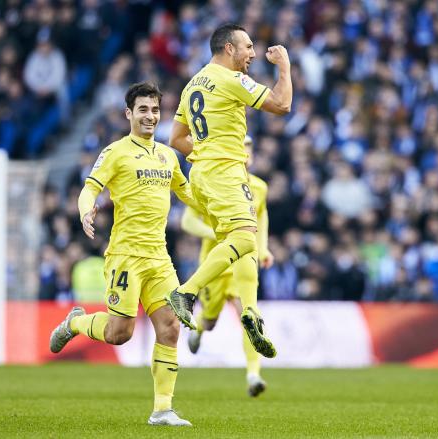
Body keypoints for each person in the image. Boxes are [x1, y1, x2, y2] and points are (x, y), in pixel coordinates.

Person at [49, 82, 200, 427]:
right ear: (129, 114)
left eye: (155, 110)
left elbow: (187, 193)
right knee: (121, 333)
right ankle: (75, 322)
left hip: (159, 258)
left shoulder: (167, 155)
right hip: (125, 257)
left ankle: (163, 409)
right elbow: (90, 189)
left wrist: (220, 210)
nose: (150, 116)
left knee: (170, 327)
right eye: (143, 110)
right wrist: (86, 210)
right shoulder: (115, 152)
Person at [167, 23, 292, 359]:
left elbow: (176, 140)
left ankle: (250, 310)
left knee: (238, 246)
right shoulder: (231, 79)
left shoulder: (193, 83)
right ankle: (186, 292)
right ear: (228, 48)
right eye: (248, 46)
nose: (253, 53)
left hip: (202, 175)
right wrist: (285, 66)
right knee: (246, 239)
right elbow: (282, 105)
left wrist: (204, 156)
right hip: (224, 173)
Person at [181, 136, 273, 397]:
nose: (245, 152)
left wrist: (263, 246)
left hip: (244, 262)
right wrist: (217, 233)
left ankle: (254, 374)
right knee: (210, 321)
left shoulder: (259, 188)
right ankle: (199, 327)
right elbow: (187, 222)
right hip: (215, 266)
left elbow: (262, 215)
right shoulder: (212, 185)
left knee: (249, 316)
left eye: (248, 147)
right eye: (240, 147)